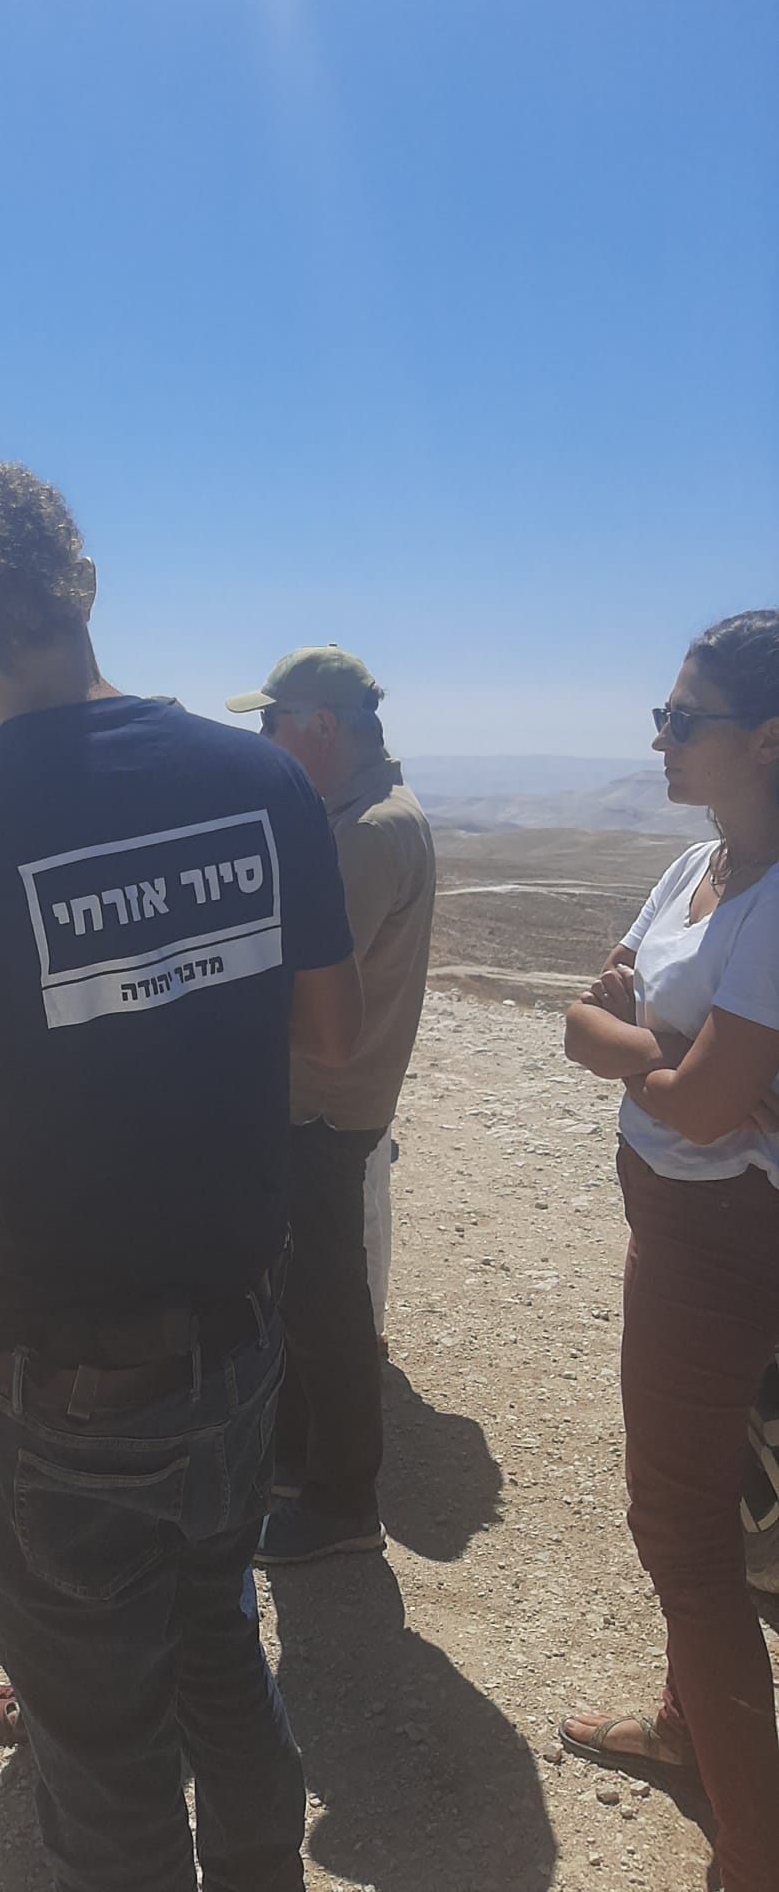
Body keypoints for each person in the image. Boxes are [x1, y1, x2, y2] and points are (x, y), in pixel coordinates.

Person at [0, 452, 362, 1892]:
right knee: (219, 1641)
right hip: (239, 1338)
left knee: (99, 1746)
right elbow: (325, 1034)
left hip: (67, 1374)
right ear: (84, 590)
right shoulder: (257, 775)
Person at [557, 609, 779, 1892]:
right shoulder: (703, 866)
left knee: (684, 1531)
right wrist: (665, 1059)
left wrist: (654, 1063)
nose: (659, 737)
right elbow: (589, 1020)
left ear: (767, 738)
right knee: (722, 1497)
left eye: (681, 718)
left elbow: (698, 1105)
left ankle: (751, 1848)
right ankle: (694, 1730)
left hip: (724, 1245)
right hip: (679, 1219)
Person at [226, 647, 435, 1563]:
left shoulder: (366, 833)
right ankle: (299, 1461)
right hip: (323, 1099)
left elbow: (308, 990)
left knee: (325, 1305)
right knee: (305, 1293)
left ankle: (342, 1503)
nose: (264, 741)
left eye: (270, 723)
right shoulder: (364, 815)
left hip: (320, 1102)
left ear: (317, 725)